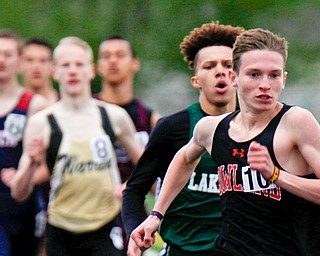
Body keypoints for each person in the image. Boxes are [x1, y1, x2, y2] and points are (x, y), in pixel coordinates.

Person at [130, 28, 320, 255]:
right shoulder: (212, 129)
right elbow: (184, 158)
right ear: (233, 78)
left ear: (284, 79)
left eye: (274, 75)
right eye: (254, 74)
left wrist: (277, 176)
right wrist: (156, 216)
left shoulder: (296, 122)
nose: (265, 84)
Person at [3, 36, 144, 256]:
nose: (72, 71)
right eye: (65, 65)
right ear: (55, 71)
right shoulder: (41, 122)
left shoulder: (113, 116)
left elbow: (147, 165)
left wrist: (131, 186)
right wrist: (31, 163)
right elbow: (19, 193)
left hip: (105, 225)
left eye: (79, 65)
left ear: (91, 70)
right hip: (61, 229)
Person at [122, 22, 244, 256]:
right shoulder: (172, 127)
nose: (220, 71)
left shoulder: (258, 128)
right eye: (209, 66)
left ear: (238, 76)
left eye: (228, 65)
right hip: (182, 250)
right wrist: (134, 233)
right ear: (196, 80)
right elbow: (135, 189)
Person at [96, 35, 161, 250]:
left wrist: (134, 186)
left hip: (131, 218)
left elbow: (159, 186)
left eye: (120, 55)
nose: (113, 61)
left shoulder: (151, 119)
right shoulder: (87, 113)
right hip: (91, 213)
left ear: (134, 64)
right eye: (106, 56)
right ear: (97, 67)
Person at [0, 29, 48, 255]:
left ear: (19, 61)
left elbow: (48, 162)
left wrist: (24, 174)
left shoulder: (34, 105)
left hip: (22, 207)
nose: (1, 60)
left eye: (8, 54)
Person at [20, 37, 59, 105]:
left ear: (53, 66)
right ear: (19, 64)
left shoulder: (68, 104)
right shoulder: (7, 106)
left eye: (43, 60)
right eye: (30, 60)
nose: (36, 66)